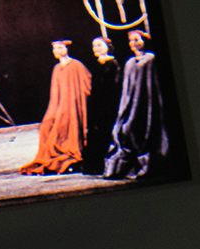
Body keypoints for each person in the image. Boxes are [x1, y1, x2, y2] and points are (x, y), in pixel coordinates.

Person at [104, 30, 169, 181]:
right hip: (129, 104)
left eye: (136, 39)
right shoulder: (129, 62)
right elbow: (126, 87)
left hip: (146, 104)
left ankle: (147, 166)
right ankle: (121, 168)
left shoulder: (151, 58)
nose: (133, 43)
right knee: (124, 131)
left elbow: (153, 84)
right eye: (131, 40)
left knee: (144, 132)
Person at [21, 41, 93, 175]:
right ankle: (50, 155)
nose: (56, 51)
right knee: (46, 126)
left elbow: (86, 86)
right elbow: (54, 94)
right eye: (54, 49)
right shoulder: (57, 68)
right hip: (59, 107)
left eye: (60, 48)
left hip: (73, 106)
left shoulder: (76, 65)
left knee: (63, 127)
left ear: (67, 49)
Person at [82, 36, 123, 176]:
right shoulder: (96, 64)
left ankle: (104, 164)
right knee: (94, 133)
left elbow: (115, 87)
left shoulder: (113, 64)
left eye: (99, 45)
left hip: (109, 104)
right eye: (94, 46)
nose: (96, 48)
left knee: (105, 132)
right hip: (96, 104)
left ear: (108, 46)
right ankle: (93, 165)